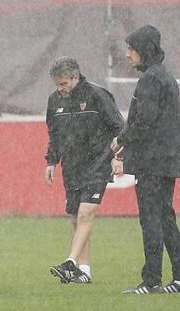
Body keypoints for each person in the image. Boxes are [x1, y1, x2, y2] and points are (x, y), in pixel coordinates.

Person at [111, 25, 180, 295]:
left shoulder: (151, 79)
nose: (127, 55)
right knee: (165, 218)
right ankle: (178, 278)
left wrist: (121, 141)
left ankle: (151, 281)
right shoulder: (166, 76)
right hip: (166, 160)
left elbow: (144, 122)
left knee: (151, 219)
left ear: (144, 50)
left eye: (131, 49)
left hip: (153, 162)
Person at [46, 56, 124, 284]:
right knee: (76, 217)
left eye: (63, 84)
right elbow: (54, 134)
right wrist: (51, 161)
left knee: (86, 213)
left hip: (98, 163)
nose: (60, 89)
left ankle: (70, 263)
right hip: (71, 167)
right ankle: (85, 271)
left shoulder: (97, 95)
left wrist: (118, 156)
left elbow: (120, 127)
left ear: (75, 77)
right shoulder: (54, 101)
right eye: (57, 85)